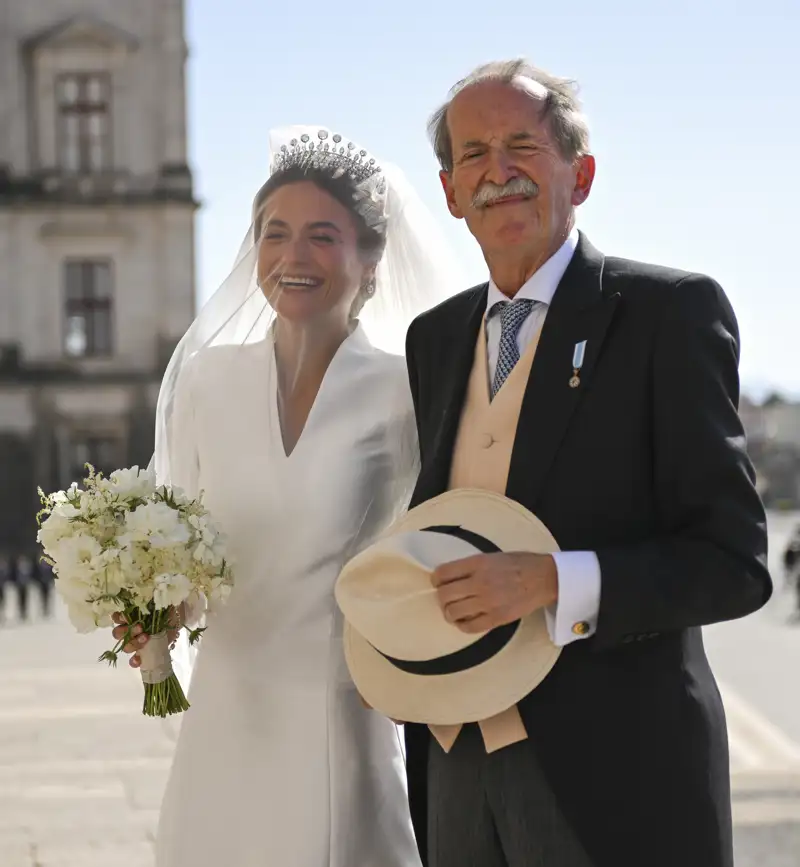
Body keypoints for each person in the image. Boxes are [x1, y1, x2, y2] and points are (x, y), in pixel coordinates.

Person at [401, 60, 771, 867]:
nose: (497, 171)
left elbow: (735, 562)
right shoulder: (432, 339)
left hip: (618, 774)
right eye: (473, 155)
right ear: (451, 192)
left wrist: (554, 582)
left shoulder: (669, 313)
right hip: (455, 760)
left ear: (583, 172)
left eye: (522, 146)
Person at [112, 127, 463, 866]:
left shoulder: (408, 392)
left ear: (372, 261)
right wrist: (157, 611)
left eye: (322, 236)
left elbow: (437, 545)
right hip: (227, 707)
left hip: (345, 708)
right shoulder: (207, 379)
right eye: (275, 233)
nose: (292, 256)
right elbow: (176, 538)